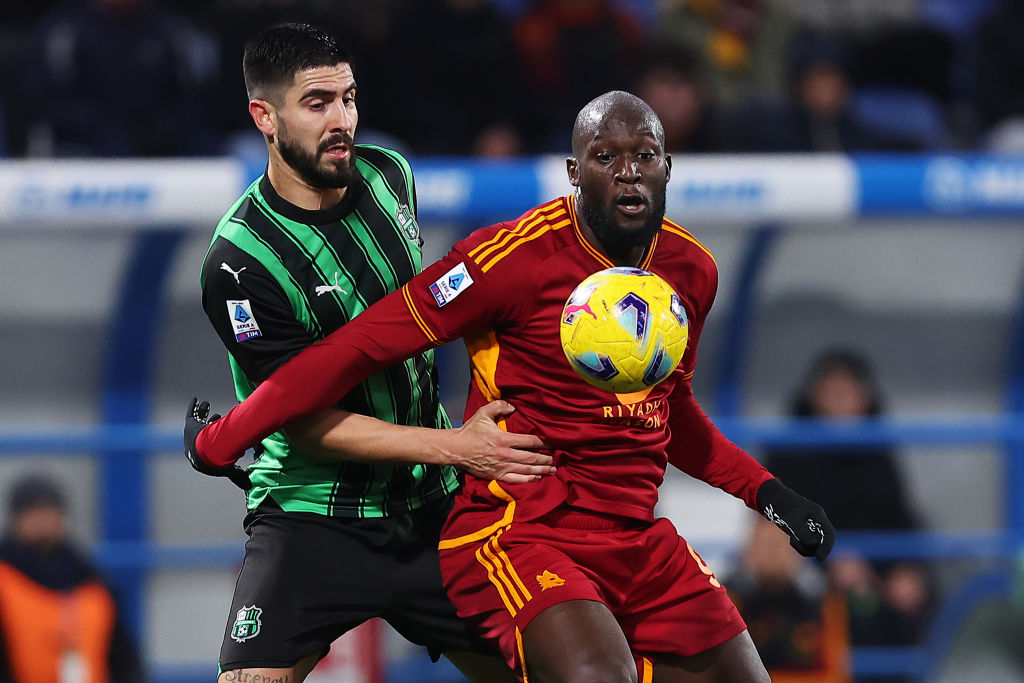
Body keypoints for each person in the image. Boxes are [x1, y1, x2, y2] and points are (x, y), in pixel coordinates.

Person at [186, 90, 837, 682]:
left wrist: (770, 494)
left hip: (639, 539)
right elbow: (354, 349)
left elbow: (672, 415)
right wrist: (224, 438)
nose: (629, 170)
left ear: (669, 167)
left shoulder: (690, 271)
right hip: (521, 529)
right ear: (576, 173)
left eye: (646, 154)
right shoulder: (510, 261)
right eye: (606, 155)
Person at [185, 23, 554, 682]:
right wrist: (455, 446)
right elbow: (303, 418)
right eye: (318, 103)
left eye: (349, 98)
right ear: (264, 117)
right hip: (313, 514)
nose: (342, 120)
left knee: (561, 667)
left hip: (435, 508)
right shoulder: (241, 262)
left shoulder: (392, 175)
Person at [764, 350, 934, 682]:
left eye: (850, 389)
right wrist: (829, 559)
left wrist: (908, 569)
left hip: (874, 577)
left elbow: (902, 518)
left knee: (911, 602)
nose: (841, 399)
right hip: (811, 578)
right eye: (831, 389)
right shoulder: (790, 451)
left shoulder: (878, 452)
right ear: (812, 396)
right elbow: (774, 523)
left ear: (867, 397)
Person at [0, 475, 143, 682]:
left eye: (49, 512)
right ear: (16, 520)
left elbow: (125, 661)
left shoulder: (92, 581)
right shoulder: (6, 579)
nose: (43, 521)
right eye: (33, 512)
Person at [726, 515, 851, 683]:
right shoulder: (728, 602)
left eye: (779, 545)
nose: (772, 555)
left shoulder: (824, 602)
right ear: (749, 550)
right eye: (764, 545)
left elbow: (837, 674)